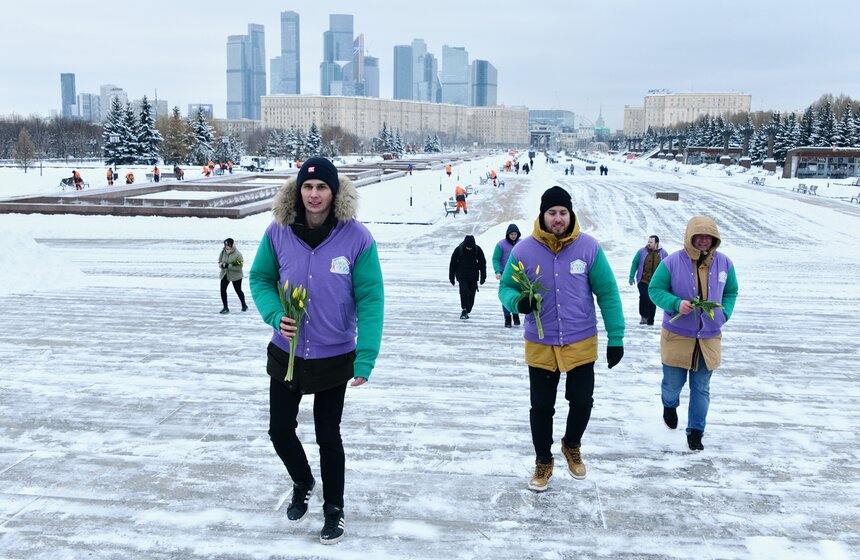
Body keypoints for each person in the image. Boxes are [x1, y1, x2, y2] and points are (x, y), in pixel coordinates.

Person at [249, 157, 384, 545]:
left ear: (334, 192)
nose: (314, 194)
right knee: (279, 430)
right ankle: (303, 480)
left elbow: (371, 298)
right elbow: (260, 277)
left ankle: (334, 509)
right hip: (286, 353)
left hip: (333, 355)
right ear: (298, 190)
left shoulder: (356, 238)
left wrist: (366, 355)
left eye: (322, 187)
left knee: (329, 435)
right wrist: (275, 315)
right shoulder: (277, 232)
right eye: (307, 187)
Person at [498, 186, 624, 491]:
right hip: (541, 342)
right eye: (552, 213)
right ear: (542, 215)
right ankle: (543, 460)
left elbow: (607, 292)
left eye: (563, 213)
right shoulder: (523, 250)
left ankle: (571, 444)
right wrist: (519, 303)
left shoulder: (589, 248)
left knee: (581, 401)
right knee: (541, 406)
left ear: (571, 215)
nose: (557, 219)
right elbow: (506, 289)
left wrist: (616, 336)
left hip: (581, 338)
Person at [648, 216, 738, 452]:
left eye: (708, 236)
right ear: (689, 237)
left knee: (701, 388)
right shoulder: (671, 262)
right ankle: (669, 405)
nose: (703, 240)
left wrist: (723, 314)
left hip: (708, 337)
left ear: (714, 239)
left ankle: (696, 431)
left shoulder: (725, 264)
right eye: (698, 236)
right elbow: (655, 290)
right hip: (677, 336)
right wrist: (675, 303)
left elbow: (731, 291)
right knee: (672, 385)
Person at [628, 235, 669, 325]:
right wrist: (631, 276)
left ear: (656, 243)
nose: (648, 243)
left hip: (656, 282)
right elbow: (635, 263)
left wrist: (669, 281)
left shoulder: (664, 253)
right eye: (648, 241)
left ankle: (651, 320)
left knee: (652, 300)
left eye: (651, 242)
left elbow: (668, 268)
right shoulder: (641, 252)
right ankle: (644, 316)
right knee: (644, 296)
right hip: (643, 280)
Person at [449, 235, 486, 320]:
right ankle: (464, 309)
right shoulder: (459, 250)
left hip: (473, 276)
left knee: (472, 295)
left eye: (471, 247)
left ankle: (467, 309)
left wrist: (483, 276)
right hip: (462, 276)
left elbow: (482, 264)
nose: (469, 248)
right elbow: (452, 264)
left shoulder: (477, 250)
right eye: (467, 247)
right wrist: (451, 277)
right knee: (464, 291)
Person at [492, 224, 522, 328]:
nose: (513, 236)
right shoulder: (501, 244)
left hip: (519, 276)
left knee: (517, 295)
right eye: (511, 234)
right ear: (507, 234)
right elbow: (495, 258)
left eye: (515, 234)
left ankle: (516, 315)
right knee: (506, 297)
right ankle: (507, 318)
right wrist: (497, 271)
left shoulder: (521, 243)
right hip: (505, 276)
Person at [218, 238, 247, 314]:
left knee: (238, 290)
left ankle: (244, 305)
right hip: (225, 274)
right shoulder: (223, 252)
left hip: (236, 275)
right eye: (225, 245)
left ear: (232, 245)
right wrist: (222, 265)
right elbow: (219, 262)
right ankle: (225, 307)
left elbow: (239, 267)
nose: (226, 247)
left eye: (228, 245)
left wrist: (228, 266)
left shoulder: (238, 254)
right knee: (223, 290)